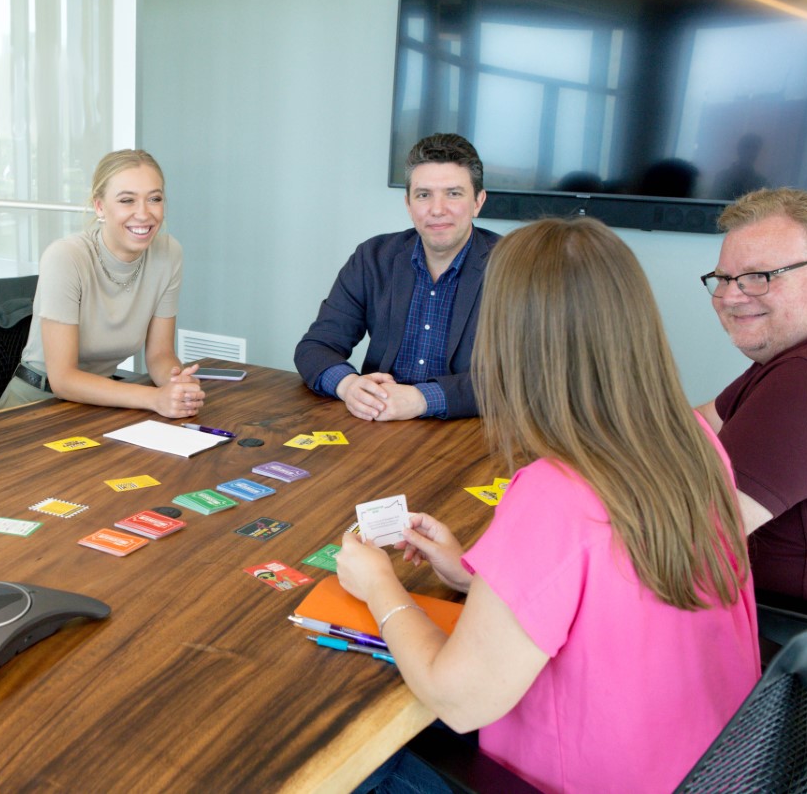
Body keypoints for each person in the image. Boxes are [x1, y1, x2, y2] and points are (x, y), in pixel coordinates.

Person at [338, 218, 759, 793]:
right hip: (713, 769)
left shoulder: (556, 493)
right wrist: (471, 578)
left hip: (576, 781)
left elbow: (457, 700)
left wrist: (378, 584)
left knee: (362, 763)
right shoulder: (694, 442)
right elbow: (610, 595)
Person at [695, 187, 807, 617]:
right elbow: (699, 424)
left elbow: (692, 538)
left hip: (786, 649)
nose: (729, 297)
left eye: (759, 276)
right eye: (723, 278)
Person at [293, 133, 499, 421]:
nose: (437, 209)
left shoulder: (513, 267)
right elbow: (315, 347)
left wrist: (422, 399)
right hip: (378, 423)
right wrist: (348, 385)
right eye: (424, 195)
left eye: (453, 193)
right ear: (408, 204)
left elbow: (525, 378)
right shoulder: (373, 257)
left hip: (469, 433)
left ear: (478, 201)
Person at [0, 149, 204, 417]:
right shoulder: (66, 257)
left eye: (154, 198)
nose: (144, 214)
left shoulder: (168, 254)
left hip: (98, 406)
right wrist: (154, 398)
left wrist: (176, 385)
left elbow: (160, 354)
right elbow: (64, 379)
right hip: (34, 406)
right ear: (100, 207)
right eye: (127, 200)